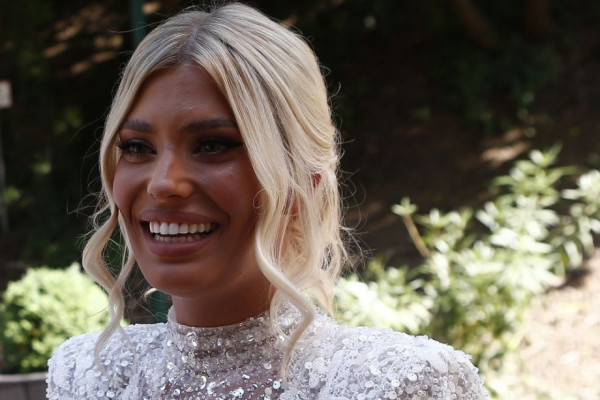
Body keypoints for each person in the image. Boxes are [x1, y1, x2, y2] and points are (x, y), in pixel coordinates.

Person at [47, 3, 488, 399]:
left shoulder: (402, 384)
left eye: (213, 145)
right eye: (137, 147)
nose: (164, 184)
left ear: (302, 180)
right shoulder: (89, 377)